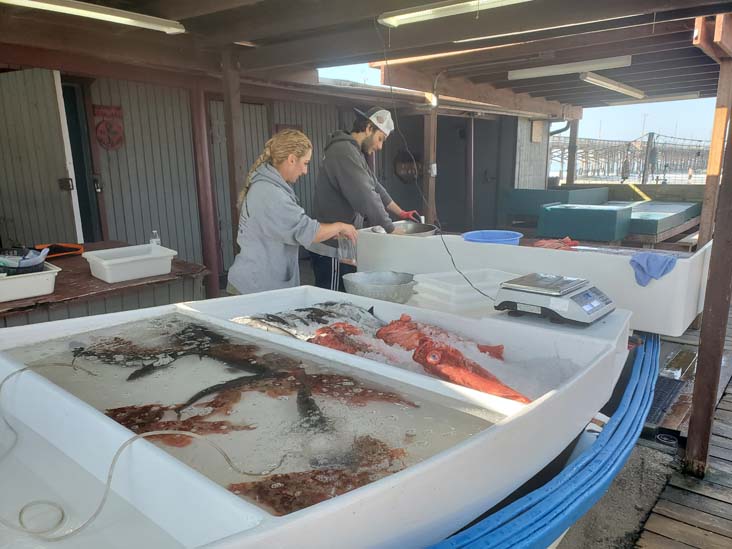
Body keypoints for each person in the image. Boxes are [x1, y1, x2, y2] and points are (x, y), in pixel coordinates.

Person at [227, 129, 357, 295]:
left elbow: (294, 226)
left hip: (255, 285)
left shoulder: (266, 187)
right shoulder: (270, 193)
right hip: (253, 289)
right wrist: (340, 226)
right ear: (291, 159)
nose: (305, 171)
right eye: (305, 163)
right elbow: (307, 231)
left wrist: (331, 232)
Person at [309, 106, 420, 291]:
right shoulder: (343, 151)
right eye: (380, 139)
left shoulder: (353, 152)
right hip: (331, 248)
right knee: (332, 303)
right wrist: (390, 228)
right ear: (369, 128)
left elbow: (375, 186)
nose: (380, 146)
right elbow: (366, 195)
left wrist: (400, 212)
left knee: (344, 300)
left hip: (343, 244)